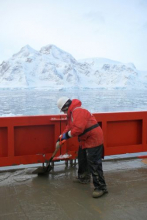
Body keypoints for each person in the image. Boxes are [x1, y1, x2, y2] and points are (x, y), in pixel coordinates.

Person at [57, 96, 108, 198]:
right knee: (82, 157)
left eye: (63, 110)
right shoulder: (72, 113)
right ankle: (83, 177)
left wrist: (66, 136)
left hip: (93, 139)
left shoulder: (78, 111)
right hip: (85, 140)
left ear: (66, 106)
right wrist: (61, 137)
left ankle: (101, 187)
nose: (63, 113)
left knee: (94, 163)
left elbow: (78, 129)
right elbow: (70, 127)